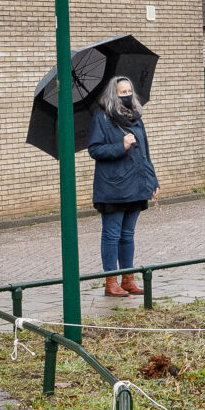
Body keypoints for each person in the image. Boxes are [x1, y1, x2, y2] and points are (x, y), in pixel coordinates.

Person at [87, 75, 158, 296]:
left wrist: (152, 179)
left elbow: (145, 152)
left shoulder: (136, 118)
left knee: (128, 234)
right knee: (111, 234)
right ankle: (111, 282)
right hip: (113, 187)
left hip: (136, 184)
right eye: (122, 92)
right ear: (113, 94)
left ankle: (128, 278)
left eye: (129, 91)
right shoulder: (102, 119)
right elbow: (95, 150)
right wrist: (122, 145)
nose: (127, 95)